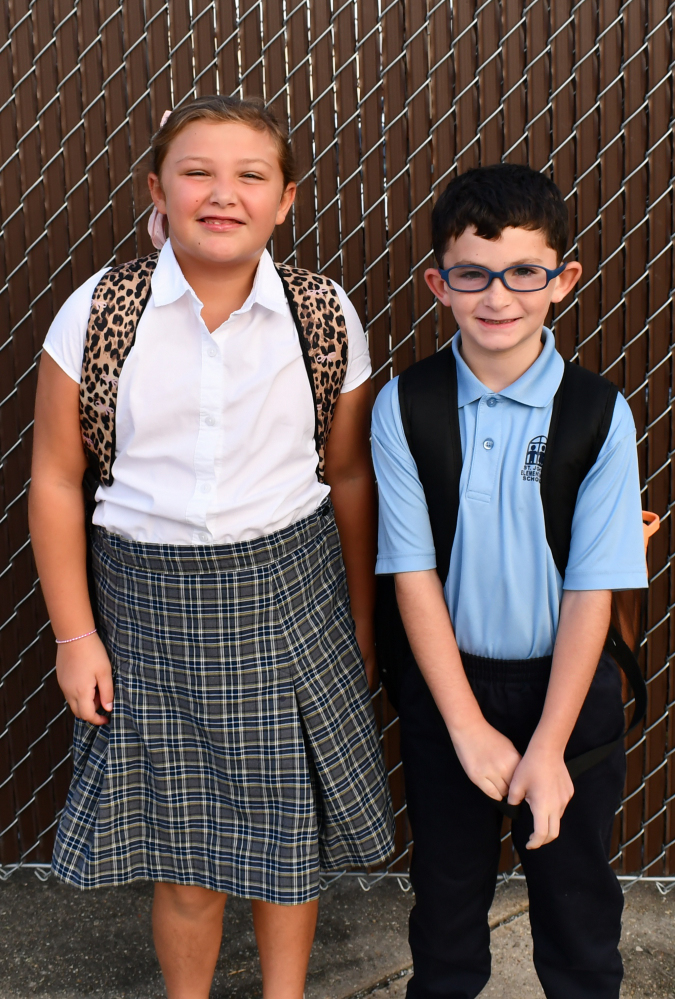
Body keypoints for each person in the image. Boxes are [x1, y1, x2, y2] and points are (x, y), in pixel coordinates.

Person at [29, 95, 394, 999]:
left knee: (287, 844)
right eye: (196, 172)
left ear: (285, 200)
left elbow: (349, 475)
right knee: (185, 860)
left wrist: (359, 619)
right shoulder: (98, 310)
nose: (222, 194)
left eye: (250, 176)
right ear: (158, 191)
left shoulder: (321, 313)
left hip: (290, 599)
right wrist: (75, 636)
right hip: (146, 610)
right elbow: (57, 479)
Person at [371, 163, 647, 999]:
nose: (497, 296)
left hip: (567, 688)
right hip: (450, 689)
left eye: (524, 271)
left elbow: (591, 590)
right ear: (438, 283)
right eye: (472, 274)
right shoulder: (405, 406)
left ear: (562, 279)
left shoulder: (597, 413)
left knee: (577, 908)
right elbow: (412, 576)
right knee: (446, 909)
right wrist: (465, 728)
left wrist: (550, 747)